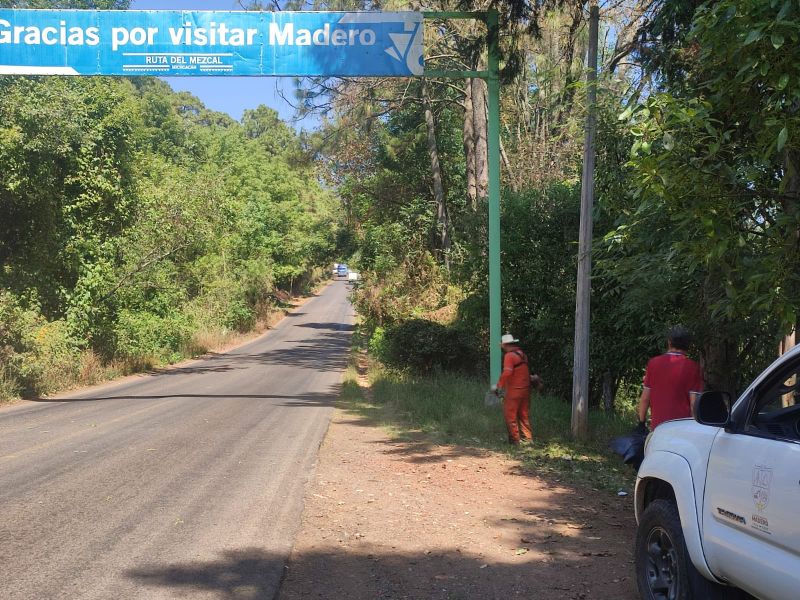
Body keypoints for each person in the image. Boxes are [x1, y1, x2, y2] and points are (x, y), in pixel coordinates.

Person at [637, 325, 704, 432]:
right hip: (682, 429)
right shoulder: (693, 367)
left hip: (658, 428)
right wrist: (697, 428)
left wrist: (641, 423)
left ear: (669, 342)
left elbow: (645, 398)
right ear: (688, 345)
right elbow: (694, 404)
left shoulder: (653, 363)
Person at [492, 333, 533, 445]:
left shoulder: (509, 356)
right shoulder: (522, 354)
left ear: (505, 345)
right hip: (525, 390)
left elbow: (507, 373)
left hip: (514, 390)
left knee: (510, 415)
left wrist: (498, 386)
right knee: (523, 415)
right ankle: (528, 439)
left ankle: (515, 440)